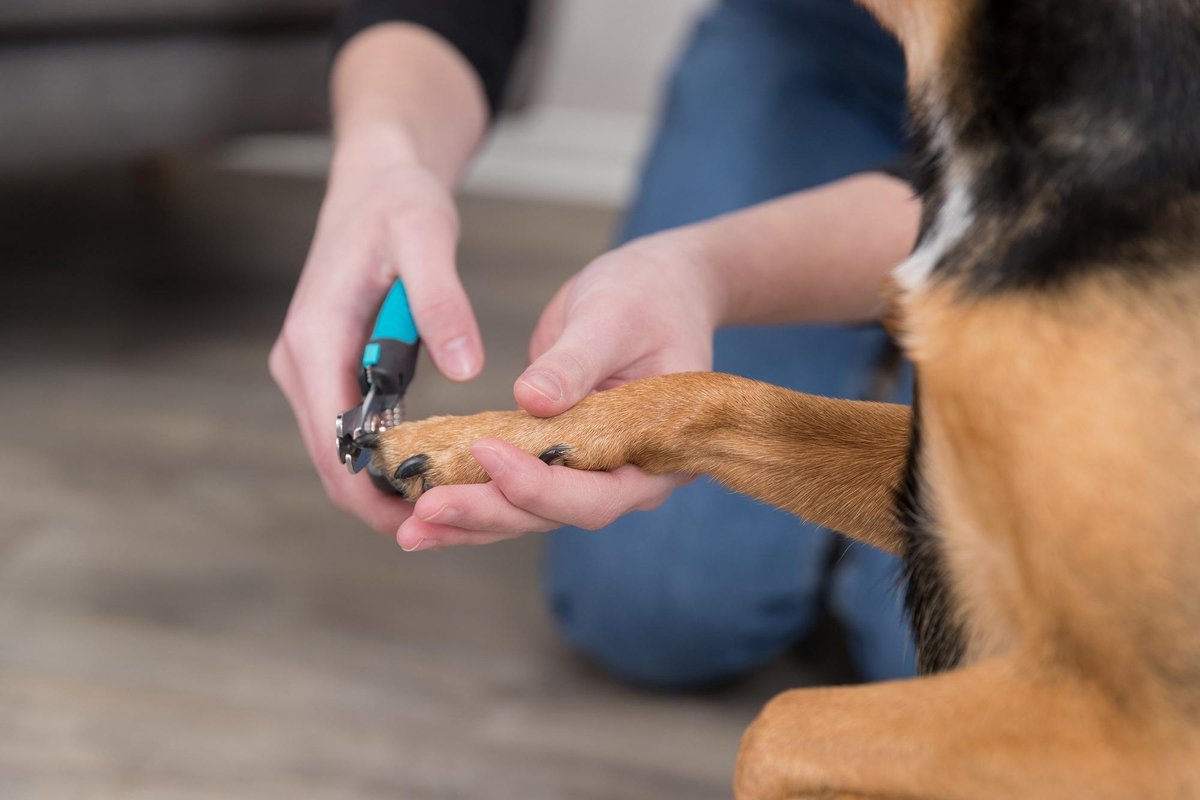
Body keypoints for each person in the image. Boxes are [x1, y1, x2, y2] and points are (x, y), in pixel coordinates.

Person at [270, 0, 922, 687]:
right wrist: (385, 161)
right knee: (658, 614)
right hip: (813, 35)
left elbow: (1019, 204)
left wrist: (708, 268)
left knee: (936, 658)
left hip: (1031, 102)